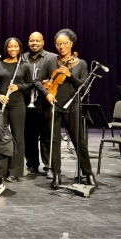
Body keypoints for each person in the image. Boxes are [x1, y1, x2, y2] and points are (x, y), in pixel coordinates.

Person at [0, 37, 51, 182]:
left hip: (18, 104)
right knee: (1, 137)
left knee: (18, 138)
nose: (12, 49)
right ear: (5, 48)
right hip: (1, 104)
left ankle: (15, 172)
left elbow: (31, 84)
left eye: (15, 47)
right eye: (10, 47)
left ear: (19, 48)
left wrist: (18, 87)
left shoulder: (23, 65)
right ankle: (1, 169)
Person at [43, 29, 97, 189]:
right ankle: (57, 174)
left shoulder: (81, 64)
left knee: (78, 141)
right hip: (54, 104)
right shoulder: (51, 62)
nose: (60, 47)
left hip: (73, 106)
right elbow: (42, 82)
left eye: (64, 43)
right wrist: (47, 92)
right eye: (58, 44)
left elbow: (85, 87)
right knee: (54, 141)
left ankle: (88, 173)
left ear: (71, 44)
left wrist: (70, 75)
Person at [21, 32, 58, 176]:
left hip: (44, 103)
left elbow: (56, 78)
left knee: (46, 136)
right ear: (28, 42)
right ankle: (32, 165)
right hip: (27, 102)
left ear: (43, 42)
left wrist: (47, 83)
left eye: (37, 41)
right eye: (31, 41)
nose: (34, 43)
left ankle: (49, 166)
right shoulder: (22, 58)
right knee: (29, 136)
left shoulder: (51, 57)